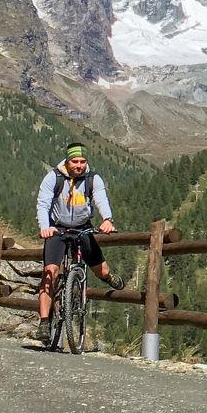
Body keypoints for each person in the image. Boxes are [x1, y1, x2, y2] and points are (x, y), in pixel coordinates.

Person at [35, 143, 124, 347]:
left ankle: (108, 277)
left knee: (101, 270)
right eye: (75, 161)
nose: (79, 165)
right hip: (57, 229)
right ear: (67, 161)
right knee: (50, 272)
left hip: (83, 227)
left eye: (83, 161)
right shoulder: (53, 178)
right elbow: (43, 203)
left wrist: (107, 219)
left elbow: (100, 199)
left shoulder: (93, 179)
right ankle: (43, 322)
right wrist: (45, 227)